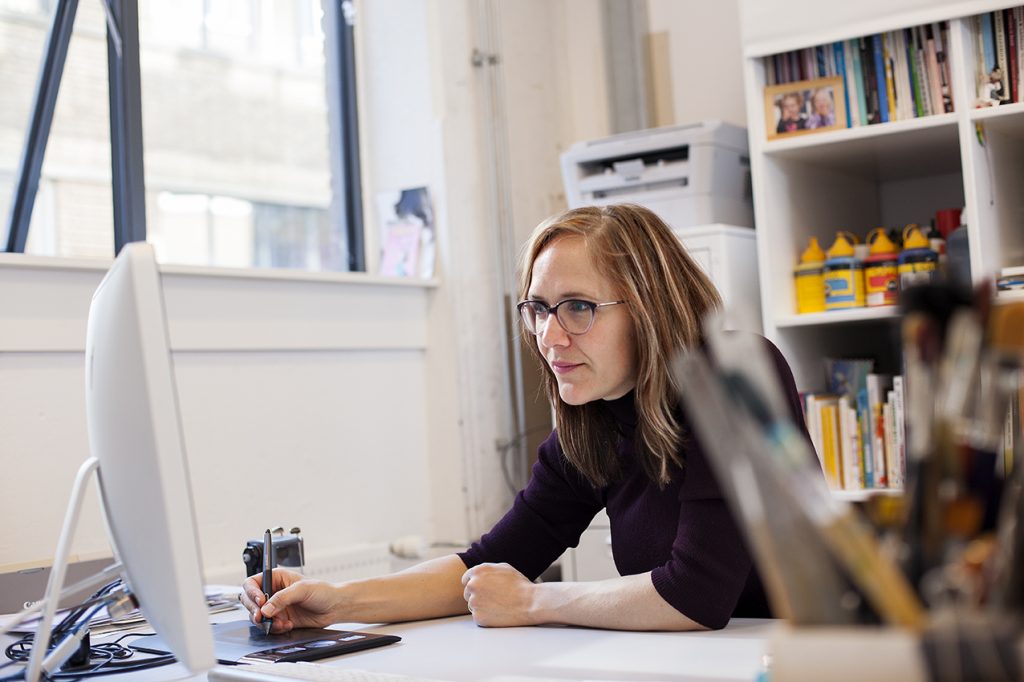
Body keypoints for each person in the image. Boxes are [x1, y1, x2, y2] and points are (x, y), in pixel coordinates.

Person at [240, 203, 812, 632]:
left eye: (578, 308)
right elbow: (488, 565)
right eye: (538, 309)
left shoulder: (733, 375)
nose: (548, 336)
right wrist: (337, 600)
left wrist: (536, 602)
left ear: (651, 310)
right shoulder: (592, 422)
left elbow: (698, 593)